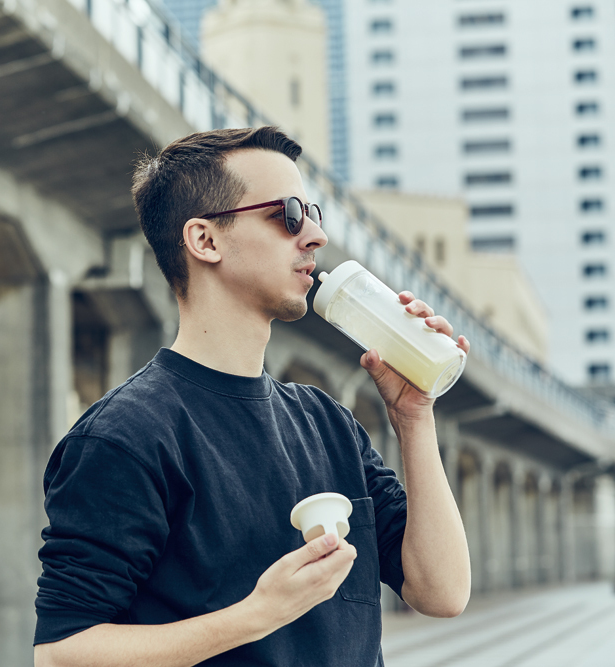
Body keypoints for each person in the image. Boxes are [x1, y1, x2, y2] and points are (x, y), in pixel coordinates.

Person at [33, 127, 471, 667]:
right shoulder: (125, 437)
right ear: (206, 241)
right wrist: (258, 614)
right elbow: (62, 653)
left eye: (314, 214)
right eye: (287, 214)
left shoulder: (328, 425)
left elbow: (442, 592)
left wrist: (415, 417)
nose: (314, 236)